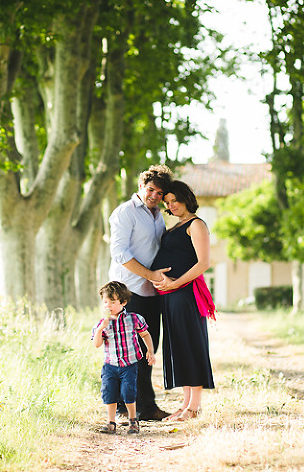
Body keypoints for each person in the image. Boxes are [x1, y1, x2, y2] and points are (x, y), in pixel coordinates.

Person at [108, 165, 173, 421]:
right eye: (151, 190)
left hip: (152, 292)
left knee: (148, 349)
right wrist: (150, 274)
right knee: (130, 351)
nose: (155, 195)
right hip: (129, 291)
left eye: (159, 192)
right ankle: (133, 408)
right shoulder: (125, 213)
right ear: (140, 187)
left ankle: (140, 405)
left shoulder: (158, 215)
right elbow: (120, 253)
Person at [151, 180, 215, 422]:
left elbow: (203, 263)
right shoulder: (177, 225)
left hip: (186, 294)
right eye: (167, 203)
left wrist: (175, 283)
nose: (171, 205)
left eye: (174, 200)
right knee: (179, 346)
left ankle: (194, 408)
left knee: (190, 345)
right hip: (171, 296)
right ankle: (186, 404)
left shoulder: (196, 225)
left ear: (186, 198)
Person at [92, 281, 156, 435]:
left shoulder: (134, 319)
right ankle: (111, 422)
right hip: (110, 365)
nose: (108, 306)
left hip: (129, 364)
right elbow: (97, 344)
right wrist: (101, 329)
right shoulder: (102, 324)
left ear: (123, 302)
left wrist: (150, 350)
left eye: (113, 302)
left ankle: (133, 420)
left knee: (129, 392)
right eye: (105, 302)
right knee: (109, 392)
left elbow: (145, 334)